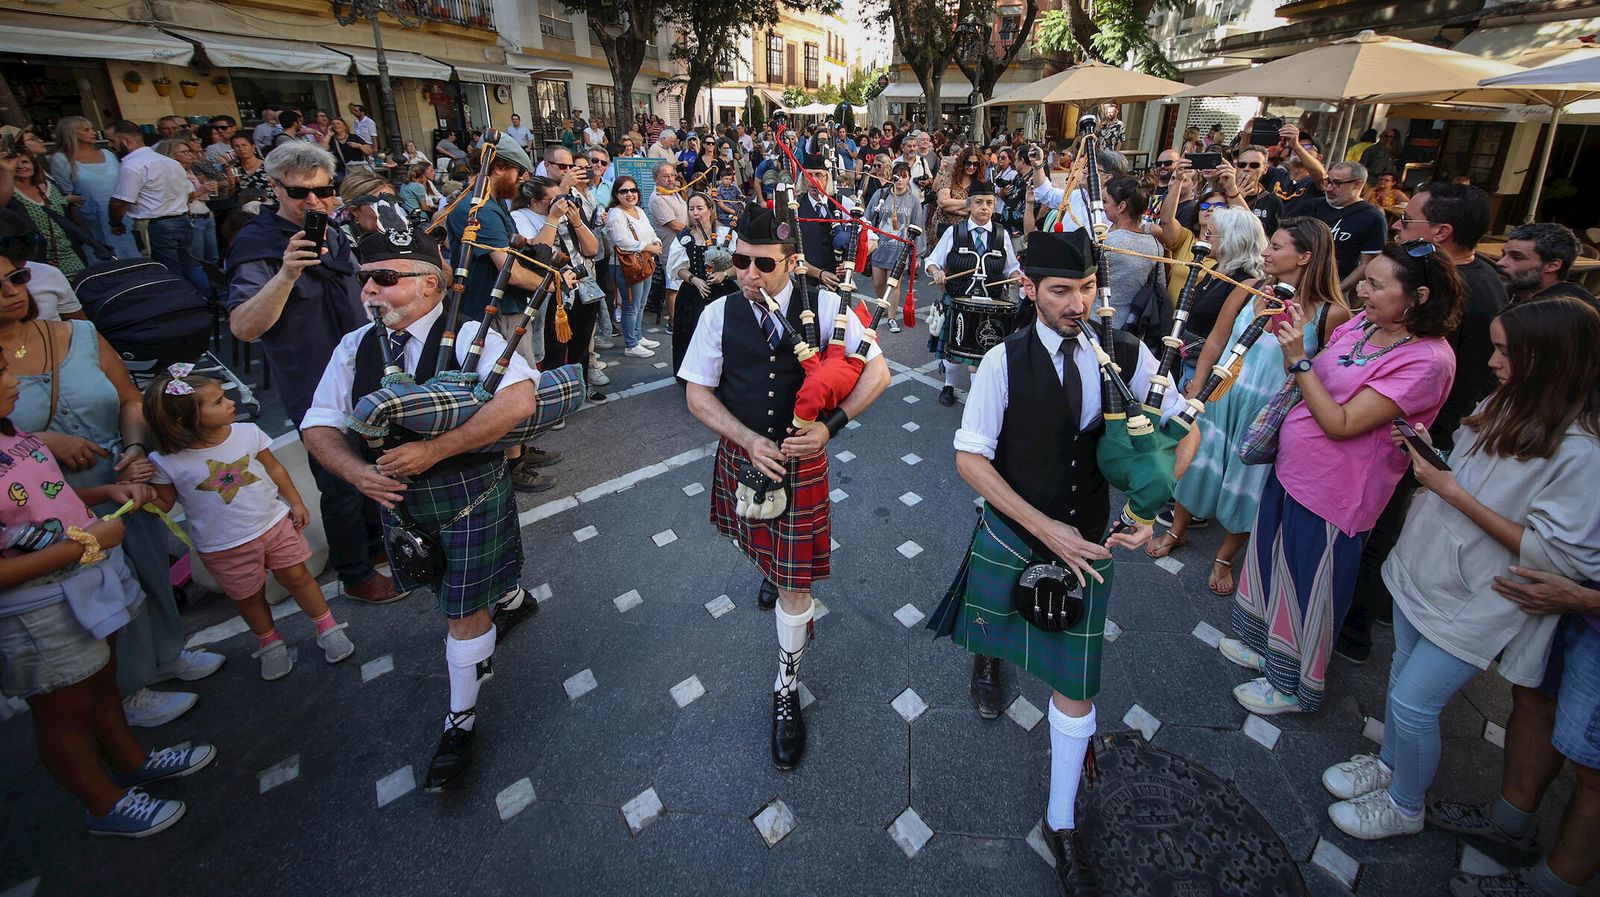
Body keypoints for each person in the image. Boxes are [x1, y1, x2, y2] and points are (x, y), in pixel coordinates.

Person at [927, 229, 1183, 892]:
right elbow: (968, 458)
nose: (1078, 303)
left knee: (1077, 690)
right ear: (1030, 289)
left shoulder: (1126, 353)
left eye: (1088, 289)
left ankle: (1061, 818)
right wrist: (1045, 527)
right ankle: (991, 655)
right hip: (1015, 532)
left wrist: (1151, 506)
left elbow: (1184, 429)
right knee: (1000, 625)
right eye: (1062, 290)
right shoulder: (1002, 362)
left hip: (1088, 544)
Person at [1320, 296, 1600, 843]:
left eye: (1505, 351)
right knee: (1401, 672)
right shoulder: (1507, 403)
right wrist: (1427, 455)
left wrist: (1449, 489)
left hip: (1483, 593)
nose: (1492, 361)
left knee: (1414, 700)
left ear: (1552, 360)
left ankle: (1405, 805)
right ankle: (1391, 767)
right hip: (1427, 566)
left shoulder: (1582, 453)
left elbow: (1561, 554)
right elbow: (1468, 474)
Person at [301, 226, 542, 791]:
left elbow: (518, 398)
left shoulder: (468, 339)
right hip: (398, 499)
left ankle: (460, 719)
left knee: (460, 608)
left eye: (385, 279)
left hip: (469, 491)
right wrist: (357, 472)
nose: (370, 292)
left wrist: (435, 449)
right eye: (365, 281)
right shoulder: (355, 346)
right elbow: (318, 421)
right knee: (444, 582)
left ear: (430, 284)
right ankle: (509, 597)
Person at [678, 200, 890, 770]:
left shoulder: (827, 305)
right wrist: (746, 439)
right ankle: (773, 573)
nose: (749, 274)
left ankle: (786, 685)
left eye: (763, 264)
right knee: (764, 549)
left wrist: (830, 426)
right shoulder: (717, 314)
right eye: (740, 260)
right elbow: (697, 393)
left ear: (792, 262)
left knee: (797, 586)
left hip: (802, 462)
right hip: (745, 454)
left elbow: (878, 371)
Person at [1220, 241, 1462, 715]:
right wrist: (1289, 325)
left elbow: (1342, 422)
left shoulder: (1428, 361)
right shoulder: (1365, 323)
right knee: (1274, 562)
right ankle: (1264, 648)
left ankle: (1291, 685)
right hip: (1292, 470)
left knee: (1310, 584)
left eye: (1376, 284)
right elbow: (1327, 372)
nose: (1362, 290)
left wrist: (1298, 359)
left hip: (1337, 491)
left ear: (1419, 297)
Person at [0, 251, 226, 727]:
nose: (11, 291)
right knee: (85, 598)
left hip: (119, 476)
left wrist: (135, 447)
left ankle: (166, 652)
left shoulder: (77, 333)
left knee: (144, 572)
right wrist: (42, 440)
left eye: (16, 278)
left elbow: (128, 399)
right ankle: (126, 691)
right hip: (43, 498)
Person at [0, 352, 218, 837]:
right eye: (0, 373)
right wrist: (87, 542)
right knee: (64, 711)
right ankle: (104, 804)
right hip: (36, 607)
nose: (14, 380)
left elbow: (42, 501)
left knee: (100, 681)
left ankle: (131, 759)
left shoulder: (14, 436)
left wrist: (101, 496)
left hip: (84, 576)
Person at [1338, 183, 1511, 662]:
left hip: (1418, 438)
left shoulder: (1461, 297)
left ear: (1441, 232)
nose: (1396, 225)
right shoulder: (1471, 279)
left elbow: (1428, 373)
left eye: (1407, 221)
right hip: (1409, 431)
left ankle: (1351, 633)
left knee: (1377, 534)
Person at [225, 141, 400, 605]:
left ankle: (377, 547)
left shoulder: (333, 232)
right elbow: (243, 326)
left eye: (323, 192)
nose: (314, 203)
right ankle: (356, 573)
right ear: (275, 189)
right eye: (300, 194)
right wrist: (284, 275)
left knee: (373, 463)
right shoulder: (258, 245)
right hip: (313, 381)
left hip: (363, 372)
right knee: (339, 481)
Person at [1152, 217, 1349, 597]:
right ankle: (1177, 529)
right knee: (1198, 464)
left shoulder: (1331, 314)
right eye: (1268, 244)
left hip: (1269, 413)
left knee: (1248, 483)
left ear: (1306, 256)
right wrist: (1199, 387)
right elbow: (1215, 340)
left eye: (1276, 247)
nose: (1265, 252)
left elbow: (1318, 374)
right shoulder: (1249, 287)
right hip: (1221, 397)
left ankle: (1225, 557)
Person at [144, 369, 356, 680]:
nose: (230, 402)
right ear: (184, 420)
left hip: (273, 524)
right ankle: (269, 643)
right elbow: (162, 504)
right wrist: (138, 489)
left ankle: (327, 626)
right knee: (249, 597)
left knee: (298, 577)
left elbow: (274, 468)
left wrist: (295, 501)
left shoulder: (246, 433)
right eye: (217, 401)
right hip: (222, 545)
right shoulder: (166, 461)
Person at [1439, 568, 1600, 897]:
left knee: (1593, 767)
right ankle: (1510, 823)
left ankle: (1552, 885)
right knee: (1533, 698)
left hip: (1586, 602)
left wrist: (1588, 600)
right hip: (1567, 584)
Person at [925, 180, 1020, 405]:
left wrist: (1019, 277)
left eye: (989, 203)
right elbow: (931, 261)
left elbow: (1011, 268)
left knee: (982, 353)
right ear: (969, 206)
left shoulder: (1001, 234)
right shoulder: (954, 232)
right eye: (978, 202)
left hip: (992, 303)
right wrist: (936, 271)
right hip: (958, 301)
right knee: (953, 352)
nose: (984, 208)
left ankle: (977, 394)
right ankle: (949, 385)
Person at [105, 121, 209, 296]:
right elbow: (186, 192)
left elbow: (119, 202)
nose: (110, 146)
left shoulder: (132, 165)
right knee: (189, 266)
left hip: (157, 225)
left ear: (126, 141)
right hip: (181, 220)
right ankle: (217, 298)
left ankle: (187, 305)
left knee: (170, 271)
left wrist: (115, 223)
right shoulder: (169, 162)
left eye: (113, 141)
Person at [49, 116, 137, 261]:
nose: (93, 132)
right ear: (72, 133)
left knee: (130, 253)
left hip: (121, 214)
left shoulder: (107, 154)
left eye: (92, 128)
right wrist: (71, 200)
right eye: (86, 130)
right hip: (91, 216)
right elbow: (63, 191)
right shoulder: (61, 159)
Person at [670, 191, 738, 378]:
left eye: (700, 208)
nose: (695, 213)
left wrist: (723, 274)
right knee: (691, 333)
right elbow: (679, 268)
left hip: (723, 292)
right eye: (691, 209)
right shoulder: (685, 236)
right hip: (693, 294)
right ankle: (691, 377)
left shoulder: (726, 233)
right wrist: (695, 280)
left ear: (710, 210)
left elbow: (740, 265)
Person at [865, 161, 927, 335]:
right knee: (878, 282)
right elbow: (869, 216)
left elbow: (918, 227)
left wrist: (918, 255)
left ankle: (891, 317)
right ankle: (883, 303)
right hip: (879, 245)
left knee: (894, 284)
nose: (900, 180)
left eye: (904, 176)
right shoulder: (880, 194)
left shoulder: (913, 202)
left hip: (900, 249)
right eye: (897, 175)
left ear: (909, 179)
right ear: (892, 177)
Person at [4, 151, 86, 277]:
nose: (20, 166)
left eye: (25, 162)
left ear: (34, 164)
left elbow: (67, 219)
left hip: (69, 252)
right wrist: (36, 259)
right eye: (15, 164)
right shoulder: (8, 195)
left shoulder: (51, 188)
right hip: (37, 258)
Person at [1495, 222, 1597, 306]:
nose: (1500, 263)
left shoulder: (1563, 311)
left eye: (1517, 258)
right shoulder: (1522, 290)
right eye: (1503, 255)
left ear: (1552, 266)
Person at [648, 161, 689, 330]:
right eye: (665, 176)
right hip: (671, 248)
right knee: (673, 287)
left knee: (682, 284)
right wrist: (696, 230)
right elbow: (675, 225)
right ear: (655, 178)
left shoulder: (674, 192)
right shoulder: (657, 198)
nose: (671, 179)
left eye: (672, 175)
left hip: (682, 245)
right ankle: (672, 323)